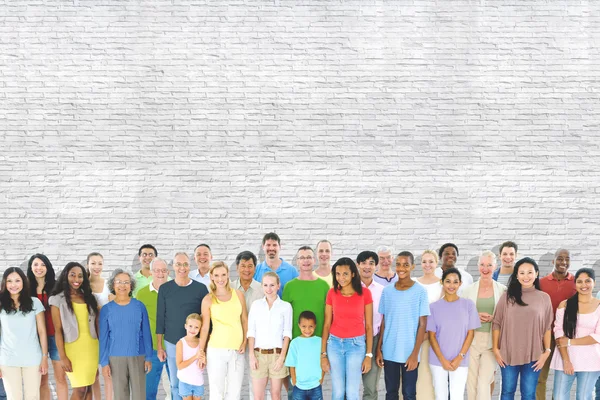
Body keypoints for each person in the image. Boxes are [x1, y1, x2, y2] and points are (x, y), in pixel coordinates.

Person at [492, 257, 553, 400]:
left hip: (534, 355)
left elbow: (547, 327)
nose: (526, 276)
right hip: (508, 353)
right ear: (517, 275)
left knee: (529, 394)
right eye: (522, 273)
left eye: (530, 272)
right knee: (507, 392)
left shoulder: (544, 298)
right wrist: (496, 349)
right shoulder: (506, 297)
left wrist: (547, 351)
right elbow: (496, 323)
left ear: (536, 274)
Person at [376, 251, 430, 400]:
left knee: (409, 394)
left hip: (410, 352)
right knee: (391, 393)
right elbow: (384, 322)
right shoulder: (387, 292)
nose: (401, 268)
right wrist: (379, 349)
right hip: (389, 350)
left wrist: (415, 354)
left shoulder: (420, 292)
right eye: (398, 264)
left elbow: (422, 325)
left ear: (412, 266)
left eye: (406, 265)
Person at [156, 252, 209, 400]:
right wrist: (160, 346)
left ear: (190, 266)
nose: (182, 267)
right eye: (178, 264)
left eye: (185, 264)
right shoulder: (165, 289)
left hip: (194, 344)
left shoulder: (200, 289)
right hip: (172, 342)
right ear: (173, 266)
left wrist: (203, 348)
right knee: (175, 383)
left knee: (195, 382)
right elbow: (160, 317)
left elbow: (206, 321)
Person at [321, 257, 373, 400]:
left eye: (345, 274)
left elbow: (368, 326)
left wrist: (369, 355)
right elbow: (326, 324)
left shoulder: (365, 293)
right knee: (337, 392)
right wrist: (323, 354)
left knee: (352, 393)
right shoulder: (332, 293)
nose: (341, 277)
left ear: (353, 274)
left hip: (356, 345)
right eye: (338, 274)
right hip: (334, 345)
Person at [100, 269, 153, 400]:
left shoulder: (139, 306)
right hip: (115, 358)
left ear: (131, 286)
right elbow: (103, 338)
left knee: (139, 395)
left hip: (138, 356)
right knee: (120, 396)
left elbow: (146, 332)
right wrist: (104, 362)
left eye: (126, 282)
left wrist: (149, 357)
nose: (122, 285)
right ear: (113, 285)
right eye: (119, 282)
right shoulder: (106, 309)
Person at [428, 268, 480, 400]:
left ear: (460, 284)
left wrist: (459, 357)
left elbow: (470, 333)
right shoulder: (433, 307)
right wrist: (442, 360)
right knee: (441, 396)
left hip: (460, 359)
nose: (452, 285)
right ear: (442, 282)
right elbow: (431, 336)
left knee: (457, 396)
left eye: (455, 282)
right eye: (448, 281)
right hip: (438, 360)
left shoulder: (468, 305)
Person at [199, 261, 248, 400]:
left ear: (228, 275)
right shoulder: (208, 299)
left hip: (237, 351)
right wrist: (201, 352)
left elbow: (244, 320)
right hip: (216, 351)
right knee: (216, 392)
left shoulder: (238, 295)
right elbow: (205, 328)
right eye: (217, 275)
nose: (220, 279)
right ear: (212, 277)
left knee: (234, 393)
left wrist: (245, 342)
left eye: (223, 275)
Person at [50, 262, 99, 400]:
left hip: (92, 347)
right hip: (72, 349)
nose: (76, 279)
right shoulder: (57, 300)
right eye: (72, 275)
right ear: (65, 276)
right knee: (80, 389)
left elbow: (96, 325)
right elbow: (57, 330)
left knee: (89, 385)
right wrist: (62, 357)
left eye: (80, 276)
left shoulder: (89, 298)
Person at [462, 250, 507, 400]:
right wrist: (475, 316)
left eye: (489, 265)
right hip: (472, 341)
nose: (485, 268)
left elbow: (507, 316)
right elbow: (460, 317)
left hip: (491, 342)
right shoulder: (467, 291)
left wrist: (495, 317)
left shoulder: (502, 291)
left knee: (483, 383)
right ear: (477, 266)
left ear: (495, 266)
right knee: (471, 383)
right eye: (482, 264)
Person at [551, 268, 600, 400]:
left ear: (594, 282)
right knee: (559, 396)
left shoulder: (599, 305)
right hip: (565, 356)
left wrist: (570, 341)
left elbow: (598, 336)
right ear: (575, 284)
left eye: (587, 281)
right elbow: (558, 333)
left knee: (584, 396)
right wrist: (566, 360)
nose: (584, 285)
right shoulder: (565, 305)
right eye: (579, 281)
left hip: (591, 360)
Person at [0, 267, 48, 400]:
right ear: (5, 283)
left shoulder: (35, 302)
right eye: (9, 281)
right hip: (8, 359)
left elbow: (42, 331)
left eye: (17, 280)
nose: (13, 285)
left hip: (33, 358)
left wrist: (44, 357)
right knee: (13, 397)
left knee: (32, 396)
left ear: (23, 282)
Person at [537, 248, 577, 400]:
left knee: (561, 379)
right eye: (560, 259)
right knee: (540, 377)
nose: (564, 262)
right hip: (544, 336)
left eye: (567, 259)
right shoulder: (541, 283)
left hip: (565, 337)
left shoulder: (576, 282)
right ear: (553, 261)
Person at [27, 253, 68, 400]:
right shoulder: (26, 289)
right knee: (42, 380)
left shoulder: (57, 287)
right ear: (30, 268)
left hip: (56, 336)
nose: (39, 268)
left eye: (43, 264)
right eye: (36, 265)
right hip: (36, 339)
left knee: (60, 378)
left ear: (48, 267)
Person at [247, 272, 293, 400]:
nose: (269, 289)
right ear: (262, 286)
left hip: (276, 355)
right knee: (258, 396)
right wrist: (251, 355)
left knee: (276, 394)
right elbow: (251, 331)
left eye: (272, 285)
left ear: (278, 286)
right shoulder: (256, 305)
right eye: (266, 285)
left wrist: (282, 357)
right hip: (258, 355)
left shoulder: (285, 307)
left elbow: (287, 333)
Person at [135, 257, 172, 400]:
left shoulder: (174, 291)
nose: (160, 273)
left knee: (176, 389)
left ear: (168, 272)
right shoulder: (142, 294)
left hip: (173, 347)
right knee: (148, 391)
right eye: (157, 270)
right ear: (151, 272)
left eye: (163, 270)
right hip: (151, 350)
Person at [283, 246, 330, 339]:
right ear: (297, 261)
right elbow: (284, 317)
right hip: (295, 341)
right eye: (302, 258)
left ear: (314, 260)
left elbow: (329, 317)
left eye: (309, 257)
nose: (306, 261)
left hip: (319, 341)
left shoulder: (324, 286)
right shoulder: (289, 286)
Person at [414, 250, 443, 400]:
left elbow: (443, 313)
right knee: (413, 374)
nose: (427, 265)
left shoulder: (442, 284)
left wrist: (428, 333)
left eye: (431, 261)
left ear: (436, 263)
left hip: (434, 337)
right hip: (414, 336)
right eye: (424, 261)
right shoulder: (414, 283)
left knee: (428, 374)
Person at [356, 250, 384, 400]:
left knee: (371, 389)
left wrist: (379, 348)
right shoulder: (349, 289)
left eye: (371, 263)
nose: (367, 266)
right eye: (364, 263)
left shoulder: (382, 291)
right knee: (349, 389)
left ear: (376, 267)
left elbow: (384, 320)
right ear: (358, 265)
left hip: (373, 341)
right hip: (352, 341)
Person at [86, 252, 114, 400]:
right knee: (93, 373)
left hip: (107, 333)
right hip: (89, 333)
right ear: (87, 265)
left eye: (100, 263)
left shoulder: (108, 285)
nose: (97, 267)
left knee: (108, 371)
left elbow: (114, 307)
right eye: (93, 263)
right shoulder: (83, 285)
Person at [285, 311, 324, 400]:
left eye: (311, 326)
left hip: (315, 385)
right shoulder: (295, 343)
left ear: (315, 326)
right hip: (299, 386)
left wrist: (321, 377)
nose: (307, 330)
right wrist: (294, 380)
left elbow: (323, 360)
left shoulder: (320, 341)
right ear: (299, 325)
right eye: (304, 326)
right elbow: (292, 363)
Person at [176, 314, 205, 400]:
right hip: (185, 382)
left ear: (200, 329)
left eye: (196, 327)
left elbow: (203, 364)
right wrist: (195, 356)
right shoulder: (181, 343)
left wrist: (203, 362)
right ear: (185, 326)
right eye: (190, 326)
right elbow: (180, 366)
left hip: (198, 382)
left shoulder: (201, 343)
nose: (193, 329)